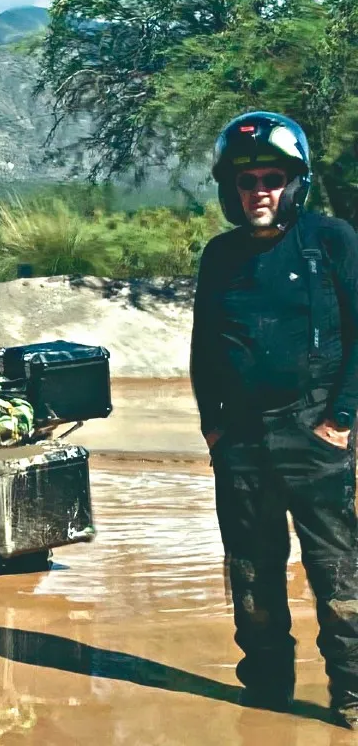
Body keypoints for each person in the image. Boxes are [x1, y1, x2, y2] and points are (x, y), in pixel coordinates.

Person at [191, 110, 358, 728]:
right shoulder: (221, 255)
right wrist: (213, 427)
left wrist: (340, 419)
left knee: (338, 578)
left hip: (315, 434)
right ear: (230, 190)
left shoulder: (331, 240)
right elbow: (203, 346)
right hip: (240, 441)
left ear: (295, 183)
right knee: (252, 576)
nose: (258, 191)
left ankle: (351, 699)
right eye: (246, 181)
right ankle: (265, 701)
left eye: (271, 179)